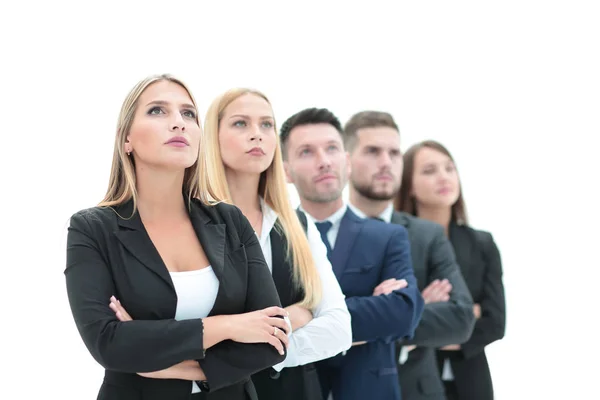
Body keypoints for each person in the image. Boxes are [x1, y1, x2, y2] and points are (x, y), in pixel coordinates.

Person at [65, 74, 290, 400]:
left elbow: (274, 338)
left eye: (188, 114)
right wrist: (227, 327)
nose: (178, 123)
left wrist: (170, 364)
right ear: (126, 138)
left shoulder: (230, 221)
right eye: (158, 111)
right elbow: (109, 343)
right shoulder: (92, 228)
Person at [195, 87, 351, 400]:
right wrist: (293, 318)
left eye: (266, 125)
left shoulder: (298, 225)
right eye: (241, 124)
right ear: (213, 137)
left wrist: (245, 351)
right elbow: (177, 330)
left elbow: (339, 330)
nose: (258, 135)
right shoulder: (189, 223)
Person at [280, 107, 425, 400]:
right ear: (285, 171)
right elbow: (263, 323)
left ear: (346, 161)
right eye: (306, 152)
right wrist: (370, 309)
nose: (324, 162)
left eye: (332, 148)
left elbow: (402, 313)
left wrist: (306, 315)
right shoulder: (271, 238)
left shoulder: (387, 236)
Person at [343, 111, 475, 400]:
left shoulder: (428, 235)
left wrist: (379, 317)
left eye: (394, 153)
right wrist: (411, 308)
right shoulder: (317, 233)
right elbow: (317, 318)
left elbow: (462, 318)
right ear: (345, 160)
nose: (386, 162)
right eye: (373, 151)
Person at [396, 139, 506, 400]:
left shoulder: (482, 243)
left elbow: (495, 322)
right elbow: (391, 318)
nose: (443, 177)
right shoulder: (396, 241)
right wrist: (464, 314)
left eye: (449, 168)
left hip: (472, 383)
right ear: (409, 185)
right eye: (429, 170)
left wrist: (428, 323)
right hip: (411, 381)